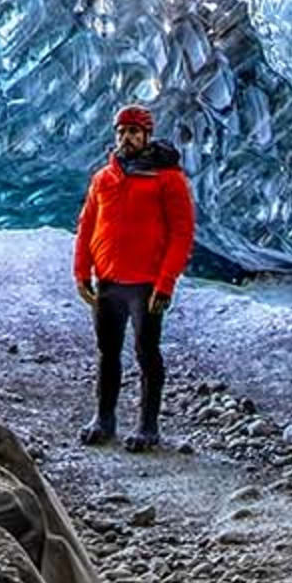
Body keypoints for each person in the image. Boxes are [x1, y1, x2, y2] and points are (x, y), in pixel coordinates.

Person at [71, 102, 194, 451]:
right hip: (108, 283)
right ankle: (104, 418)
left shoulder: (168, 179)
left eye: (134, 132)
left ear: (147, 136)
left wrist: (166, 282)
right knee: (107, 353)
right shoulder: (103, 178)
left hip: (146, 285)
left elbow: (181, 233)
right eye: (122, 132)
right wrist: (82, 273)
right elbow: (86, 226)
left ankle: (148, 426)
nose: (127, 138)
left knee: (146, 352)